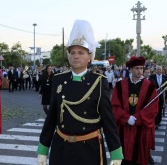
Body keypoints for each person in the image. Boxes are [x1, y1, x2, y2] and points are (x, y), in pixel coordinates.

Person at [37, 20, 123, 165]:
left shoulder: (99, 81)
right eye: (72, 52)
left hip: (88, 149)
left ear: (90, 57)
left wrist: (116, 153)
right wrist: (43, 149)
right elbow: (51, 117)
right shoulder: (58, 80)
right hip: (61, 147)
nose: (76, 56)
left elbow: (108, 120)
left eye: (81, 52)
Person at [111, 56, 159, 165]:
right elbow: (114, 106)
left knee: (139, 158)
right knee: (122, 159)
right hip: (123, 128)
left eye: (141, 68)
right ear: (130, 69)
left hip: (140, 129)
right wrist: (126, 118)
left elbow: (153, 109)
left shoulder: (150, 87)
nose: (140, 71)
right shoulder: (119, 86)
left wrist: (137, 119)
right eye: (137, 68)